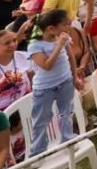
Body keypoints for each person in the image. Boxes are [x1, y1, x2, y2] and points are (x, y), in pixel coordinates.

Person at [27, 9, 82, 156]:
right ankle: (37, 152)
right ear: (51, 28)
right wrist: (59, 45)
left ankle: (67, 139)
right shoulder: (35, 45)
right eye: (65, 25)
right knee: (42, 119)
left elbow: (71, 58)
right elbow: (46, 66)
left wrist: (75, 77)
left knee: (67, 112)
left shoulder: (63, 38)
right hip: (45, 88)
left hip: (65, 81)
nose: (68, 27)